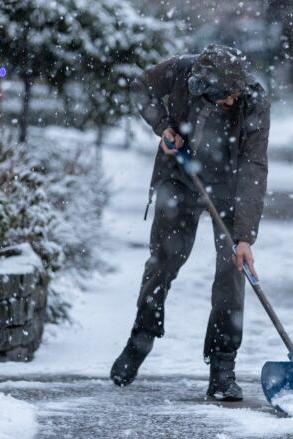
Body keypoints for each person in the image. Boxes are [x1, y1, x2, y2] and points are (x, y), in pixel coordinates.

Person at [110, 44, 270, 401]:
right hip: (180, 177)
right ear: (204, 88)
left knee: (232, 272)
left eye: (234, 95)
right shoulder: (182, 71)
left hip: (229, 190)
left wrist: (244, 237)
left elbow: (254, 167)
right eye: (224, 97)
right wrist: (163, 126)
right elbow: (140, 88)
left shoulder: (254, 97)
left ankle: (222, 368)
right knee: (164, 260)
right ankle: (142, 336)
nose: (231, 101)